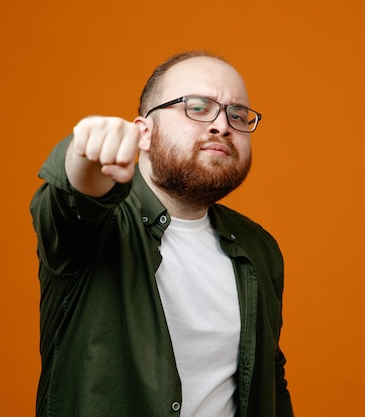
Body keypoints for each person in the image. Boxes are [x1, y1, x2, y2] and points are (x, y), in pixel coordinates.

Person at [30, 50, 294, 417]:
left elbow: (269, 380)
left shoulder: (258, 247)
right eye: (198, 107)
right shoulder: (97, 227)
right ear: (143, 132)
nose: (222, 125)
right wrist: (85, 152)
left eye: (237, 114)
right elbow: (73, 197)